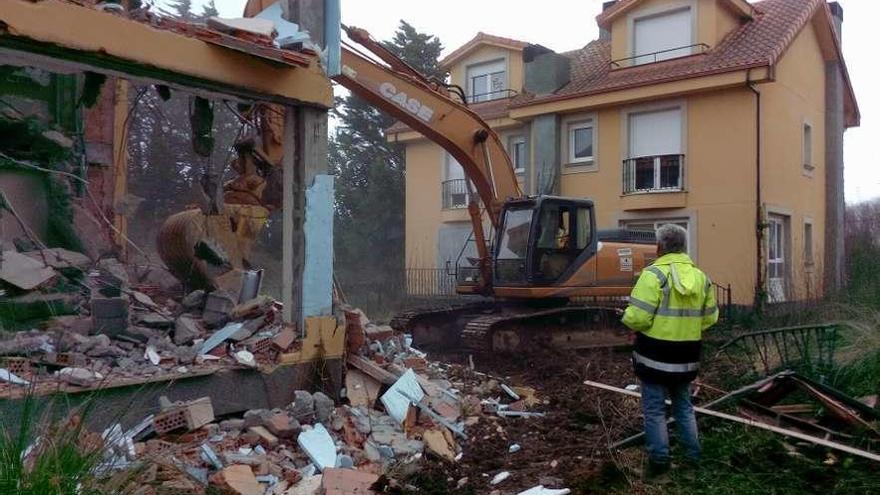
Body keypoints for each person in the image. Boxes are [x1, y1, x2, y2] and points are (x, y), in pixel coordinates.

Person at [621, 224, 718, 478]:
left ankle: (659, 464)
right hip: (687, 358)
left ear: (659, 247)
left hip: (654, 357)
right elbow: (709, 319)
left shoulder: (653, 275)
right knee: (683, 407)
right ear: (684, 247)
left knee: (654, 409)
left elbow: (637, 318)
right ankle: (692, 463)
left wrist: (628, 321)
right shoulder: (701, 278)